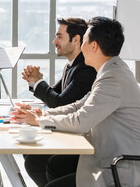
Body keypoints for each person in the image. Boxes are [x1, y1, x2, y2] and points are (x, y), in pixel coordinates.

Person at [12, 17, 140, 187]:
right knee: (54, 166)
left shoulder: (113, 78)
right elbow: (79, 105)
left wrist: (39, 121)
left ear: (94, 46)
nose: (82, 46)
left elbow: (81, 121)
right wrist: (44, 113)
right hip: (113, 157)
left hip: (125, 168)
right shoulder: (110, 71)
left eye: (85, 41)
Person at [21, 18, 96, 187]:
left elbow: (60, 102)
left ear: (76, 39)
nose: (55, 42)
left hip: (83, 138)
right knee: (31, 154)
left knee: (34, 160)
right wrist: (35, 83)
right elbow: (56, 94)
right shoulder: (73, 65)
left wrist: (39, 84)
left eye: (59, 37)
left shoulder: (86, 68)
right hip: (71, 129)